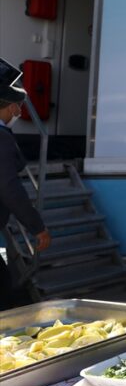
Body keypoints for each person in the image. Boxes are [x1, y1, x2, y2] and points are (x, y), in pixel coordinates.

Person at [0, 58, 51, 310]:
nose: (20, 113)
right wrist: (37, 226)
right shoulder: (2, 138)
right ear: (8, 108)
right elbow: (9, 188)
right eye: (17, 107)